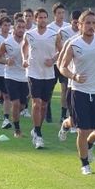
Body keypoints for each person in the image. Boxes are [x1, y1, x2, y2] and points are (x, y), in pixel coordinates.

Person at [59, 10, 95, 175]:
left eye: (93, 23)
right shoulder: (73, 43)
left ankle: (85, 143)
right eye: (87, 23)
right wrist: (74, 76)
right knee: (83, 130)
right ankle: (84, 163)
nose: (91, 26)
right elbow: (62, 66)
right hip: (79, 91)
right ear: (79, 25)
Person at [21, 8, 61, 149]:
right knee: (36, 103)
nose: (43, 20)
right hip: (33, 72)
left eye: (45, 17)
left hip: (49, 74)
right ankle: (38, 134)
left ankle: (37, 127)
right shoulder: (29, 34)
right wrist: (24, 59)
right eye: (40, 17)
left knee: (44, 105)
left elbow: (60, 50)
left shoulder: (54, 34)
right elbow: (24, 48)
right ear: (35, 19)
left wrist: (53, 60)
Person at [0, 17, 28, 138]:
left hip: (25, 77)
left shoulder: (29, 41)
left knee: (23, 106)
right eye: (19, 27)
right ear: (14, 28)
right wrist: (6, 61)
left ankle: (11, 118)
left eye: (23, 27)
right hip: (10, 76)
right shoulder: (7, 42)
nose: (21, 30)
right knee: (16, 103)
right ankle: (17, 130)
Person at [46, 3, 71, 124]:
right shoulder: (49, 28)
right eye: (59, 13)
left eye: (63, 13)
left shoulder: (68, 27)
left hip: (64, 64)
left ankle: (63, 114)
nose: (61, 15)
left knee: (65, 89)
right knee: (49, 89)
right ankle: (47, 112)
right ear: (54, 14)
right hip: (52, 63)